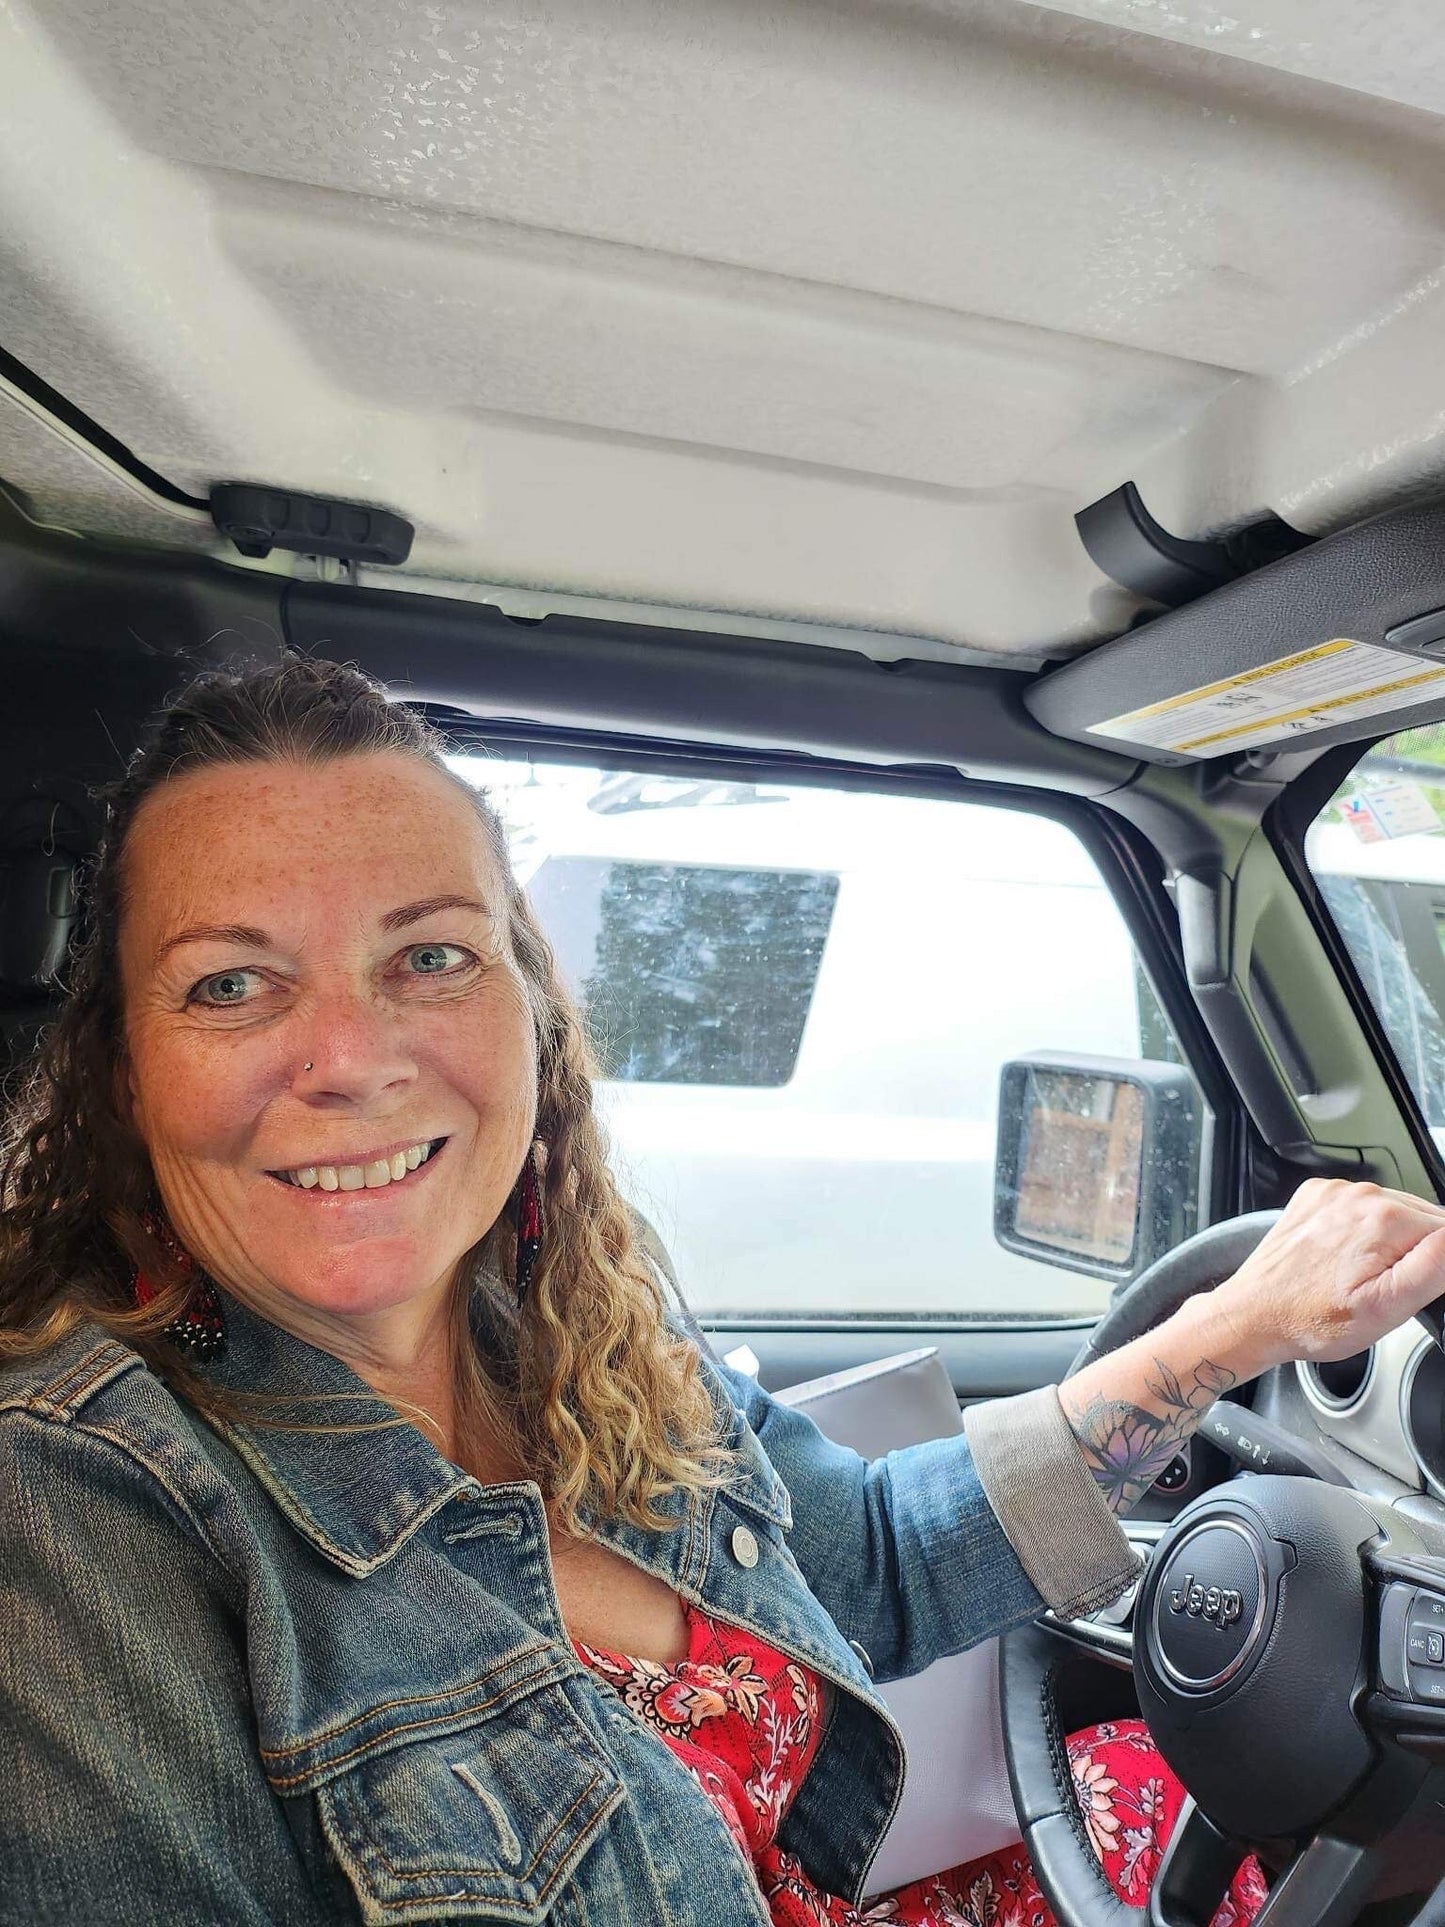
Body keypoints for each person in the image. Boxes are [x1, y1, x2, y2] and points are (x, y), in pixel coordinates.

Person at [1, 658, 1442, 1927]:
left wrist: (1224, 1334)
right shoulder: (70, 1508)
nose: (348, 1059)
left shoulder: (567, 1329)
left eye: (429, 956)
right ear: (124, 1068)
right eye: (231, 986)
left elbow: (863, 1564)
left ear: (531, 1009)